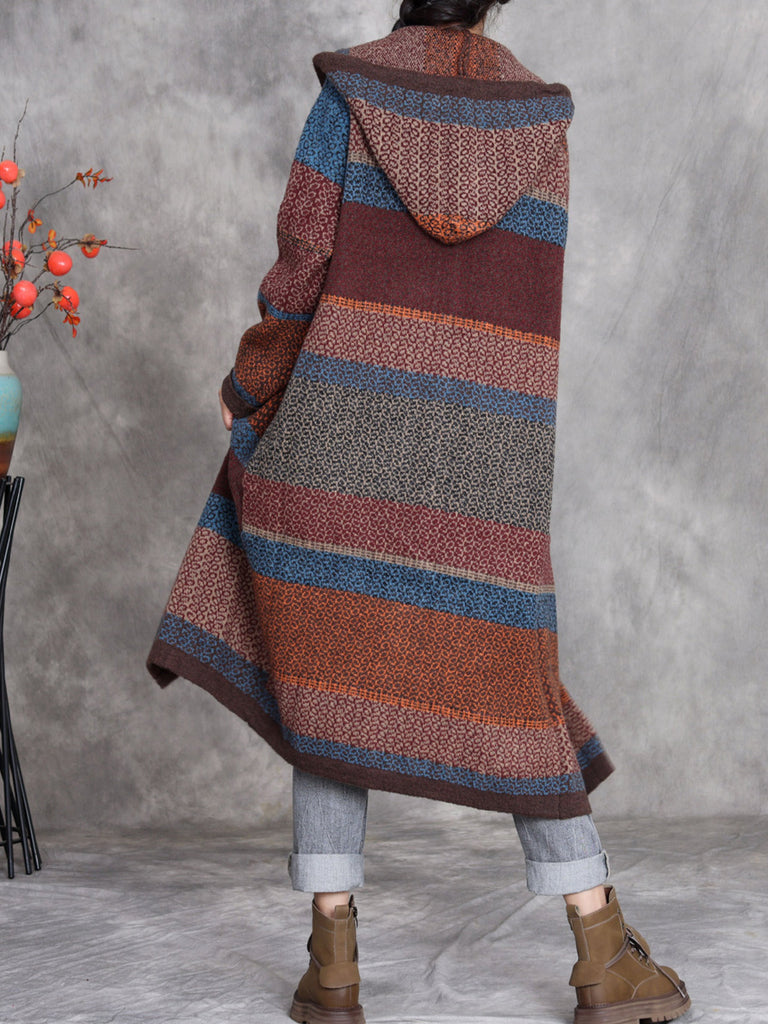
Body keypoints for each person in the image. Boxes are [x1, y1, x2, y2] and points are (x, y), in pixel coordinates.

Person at [147, 2, 692, 1022]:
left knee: (325, 666)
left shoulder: (351, 94)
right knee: (511, 687)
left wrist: (250, 389)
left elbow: (299, 271)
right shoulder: (540, 123)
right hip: (484, 457)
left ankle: (334, 963)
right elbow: (528, 300)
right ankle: (602, 945)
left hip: (340, 432)